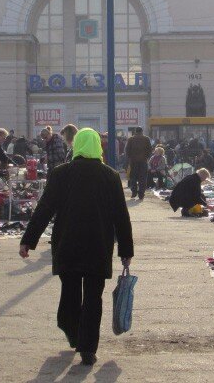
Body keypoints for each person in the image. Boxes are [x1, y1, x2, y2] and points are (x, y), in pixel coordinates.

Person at [19, 128, 133, 366]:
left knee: (70, 293)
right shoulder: (110, 176)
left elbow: (45, 208)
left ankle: (72, 331)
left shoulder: (61, 174)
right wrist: (125, 251)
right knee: (94, 297)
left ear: (77, 146)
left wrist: (28, 240)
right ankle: (88, 349)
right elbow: (121, 217)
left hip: (68, 244)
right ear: (97, 147)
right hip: (98, 246)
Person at [125, 127, 152, 200]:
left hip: (133, 161)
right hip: (143, 161)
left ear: (135, 131)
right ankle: (141, 194)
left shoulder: (131, 139)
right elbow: (150, 149)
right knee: (142, 178)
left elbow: (127, 150)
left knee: (133, 177)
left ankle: (134, 192)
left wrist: (130, 157)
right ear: (142, 131)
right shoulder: (146, 139)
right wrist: (147, 157)